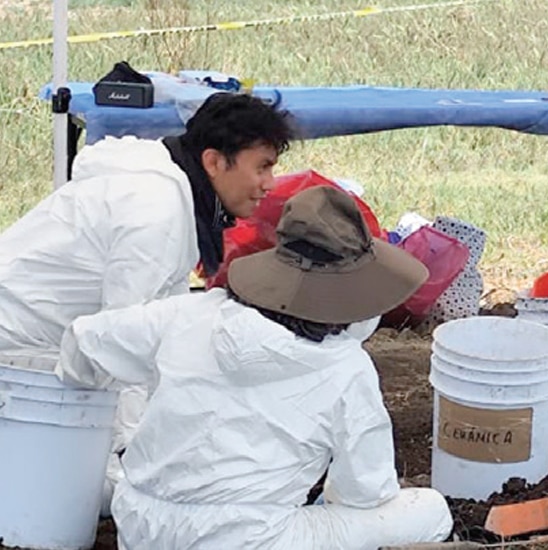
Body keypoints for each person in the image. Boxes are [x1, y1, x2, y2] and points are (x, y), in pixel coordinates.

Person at [55, 186, 453, 549]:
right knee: (429, 510)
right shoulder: (345, 366)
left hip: (143, 527)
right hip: (254, 538)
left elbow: (84, 342)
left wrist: (109, 436)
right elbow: (365, 491)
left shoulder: (193, 312)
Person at [0, 92, 293, 510]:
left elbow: (161, 332)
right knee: (89, 497)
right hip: (20, 356)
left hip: (41, 343)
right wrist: (136, 457)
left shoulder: (166, 190)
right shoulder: (155, 210)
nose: (269, 184)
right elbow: (121, 340)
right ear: (213, 162)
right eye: (262, 167)